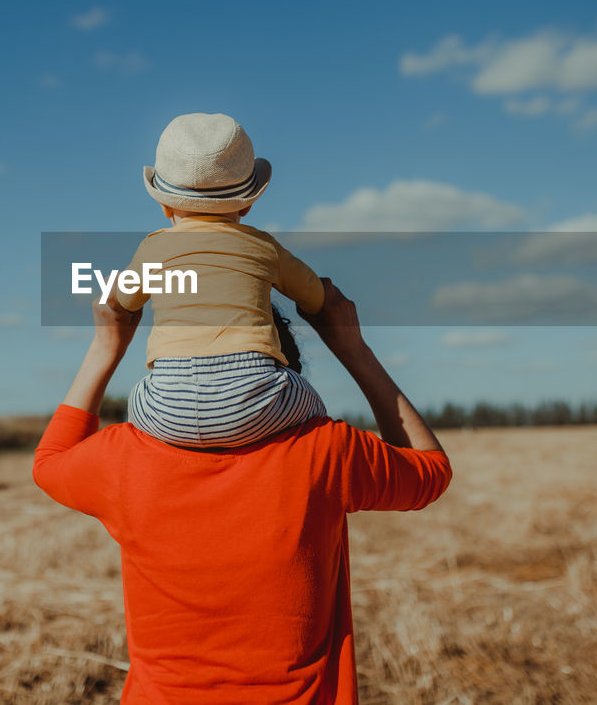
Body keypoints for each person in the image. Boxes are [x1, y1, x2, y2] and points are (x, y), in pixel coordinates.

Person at [33, 279, 452, 703]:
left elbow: (49, 462)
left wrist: (106, 348)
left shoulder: (121, 457)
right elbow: (430, 471)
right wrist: (353, 350)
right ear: (282, 366)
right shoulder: (323, 449)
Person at [106, 112, 328, 449]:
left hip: (169, 408)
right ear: (248, 203)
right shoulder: (264, 246)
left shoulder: (152, 248)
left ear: (165, 206)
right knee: (311, 406)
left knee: (138, 398)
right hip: (254, 401)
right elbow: (315, 298)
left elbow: (122, 301)